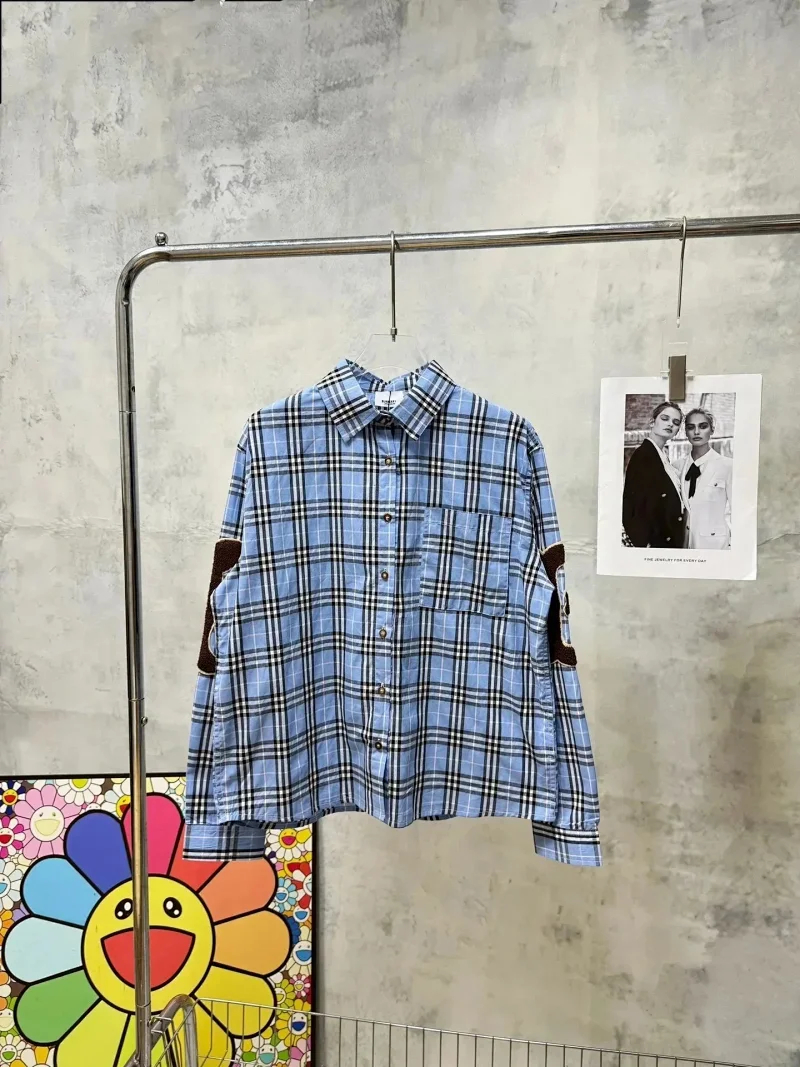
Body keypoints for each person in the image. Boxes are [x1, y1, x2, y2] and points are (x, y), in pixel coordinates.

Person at [622, 401, 686, 548]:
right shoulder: (644, 456)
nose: (670, 424)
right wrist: (645, 546)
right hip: (658, 545)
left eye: (676, 422)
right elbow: (633, 507)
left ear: (677, 431)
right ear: (652, 422)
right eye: (665, 418)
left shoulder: (661, 456)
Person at [679, 408, 733, 549]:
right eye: (691, 427)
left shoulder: (728, 466)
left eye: (703, 426)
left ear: (712, 430)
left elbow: (738, 513)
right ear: (686, 432)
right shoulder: (677, 466)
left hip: (716, 547)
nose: (696, 432)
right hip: (684, 546)